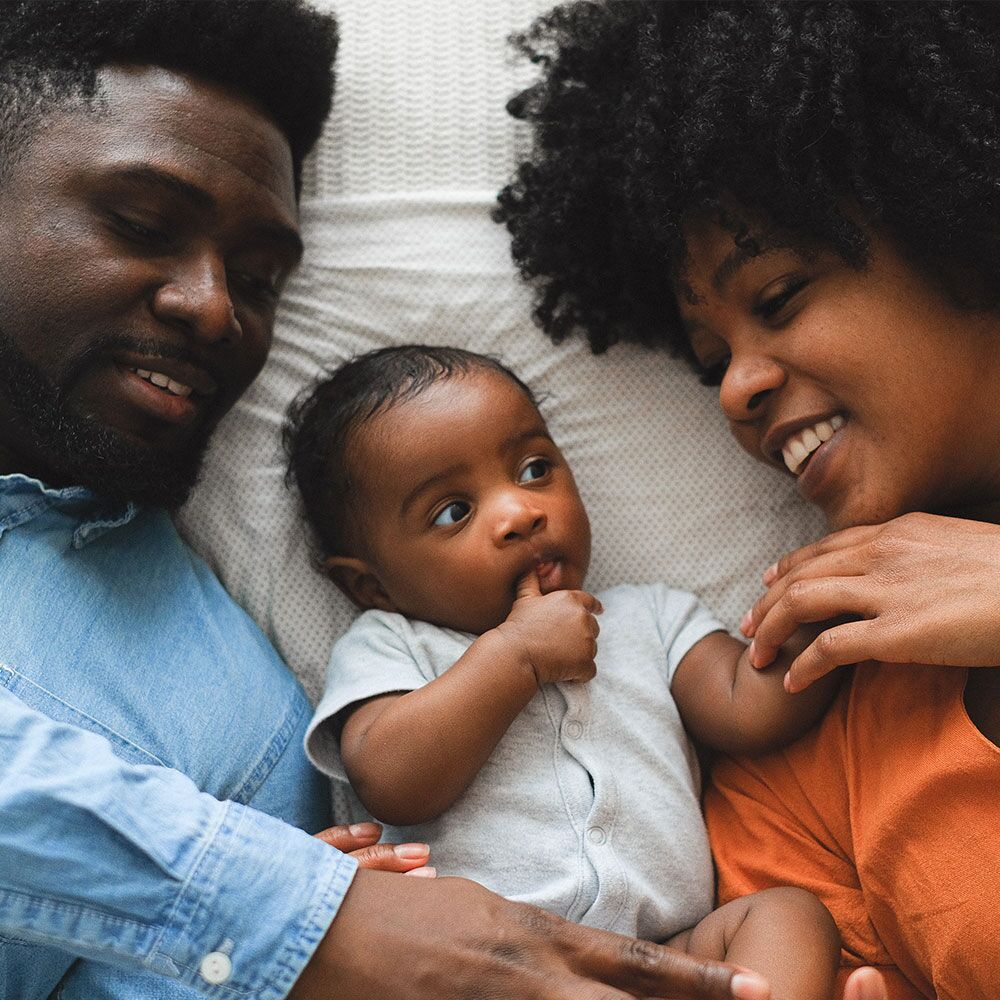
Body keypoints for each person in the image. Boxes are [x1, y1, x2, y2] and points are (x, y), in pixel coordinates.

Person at [0, 3, 777, 999]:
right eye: (140, 223)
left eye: (259, 277)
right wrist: (306, 909)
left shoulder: (233, 664)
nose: (213, 307)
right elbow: (316, 922)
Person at [494, 1, 1000, 998]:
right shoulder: (819, 711)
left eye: (776, 297)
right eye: (710, 357)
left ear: (958, 224)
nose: (734, 389)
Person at [285, 343, 853, 1000]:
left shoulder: (649, 618)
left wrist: (815, 609)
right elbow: (391, 778)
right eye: (453, 511)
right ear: (371, 586)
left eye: (532, 469)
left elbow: (745, 705)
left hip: (661, 957)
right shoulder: (393, 644)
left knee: (788, 917)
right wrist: (516, 656)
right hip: (481, 969)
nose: (519, 512)